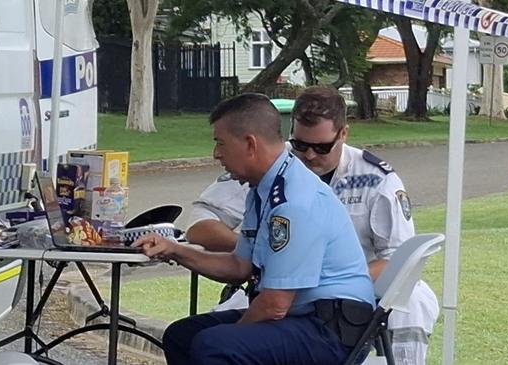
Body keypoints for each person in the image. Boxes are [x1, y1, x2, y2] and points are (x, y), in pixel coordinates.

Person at [186, 86, 439, 365]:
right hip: (285, 292)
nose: (308, 156)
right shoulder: (267, 167)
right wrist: (272, 253)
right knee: (186, 335)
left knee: (215, 344)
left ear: (343, 133)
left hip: (335, 307)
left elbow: (396, 258)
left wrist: (327, 276)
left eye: (321, 147)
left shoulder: (373, 179)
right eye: (299, 145)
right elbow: (200, 223)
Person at [133, 93, 375, 365]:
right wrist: (175, 250)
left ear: (250, 143)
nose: (216, 154)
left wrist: (230, 336)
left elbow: (275, 304)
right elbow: (240, 266)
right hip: (305, 318)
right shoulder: (265, 189)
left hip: (329, 331)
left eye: (221, 143)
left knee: (213, 345)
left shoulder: (294, 201)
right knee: (183, 335)